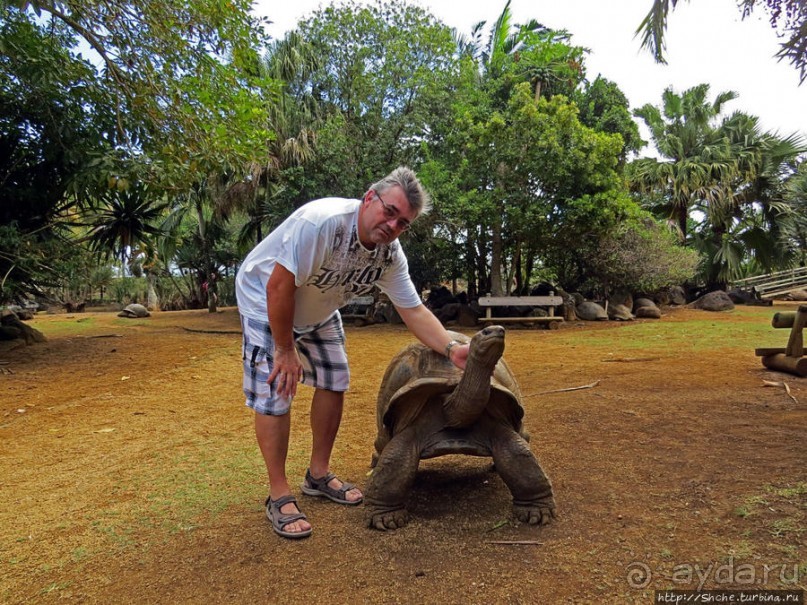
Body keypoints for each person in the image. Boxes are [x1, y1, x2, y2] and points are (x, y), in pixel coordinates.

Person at [235, 166, 470, 539]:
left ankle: (318, 474)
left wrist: (453, 347)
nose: (393, 225)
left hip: (319, 307)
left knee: (334, 379)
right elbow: (279, 287)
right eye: (389, 211)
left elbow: (412, 310)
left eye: (403, 222)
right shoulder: (322, 224)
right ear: (368, 198)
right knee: (278, 390)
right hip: (266, 299)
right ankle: (278, 493)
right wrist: (284, 349)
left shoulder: (390, 255)